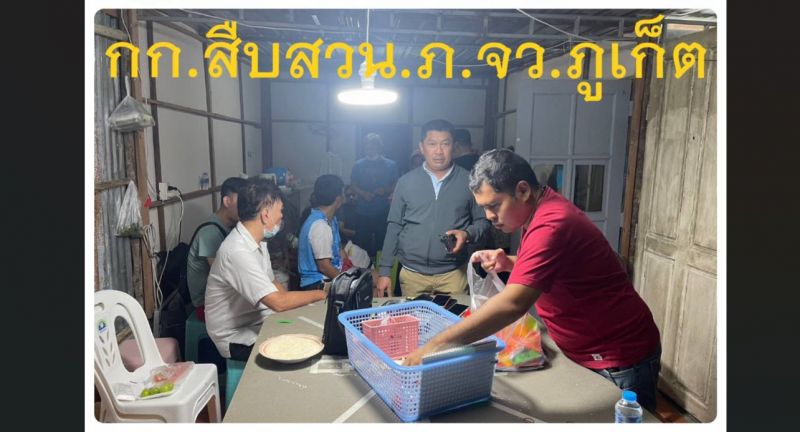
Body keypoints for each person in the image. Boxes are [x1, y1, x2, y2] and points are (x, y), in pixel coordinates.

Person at [402, 149, 662, 412]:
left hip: (620, 357)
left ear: (523, 190)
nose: (489, 216)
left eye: (494, 206)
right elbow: (558, 263)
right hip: (586, 351)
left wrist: (434, 347)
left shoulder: (551, 222)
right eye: (484, 208)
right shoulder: (540, 208)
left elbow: (512, 304)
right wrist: (511, 262)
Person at [205, 177, 327, 360]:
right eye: (280, 211)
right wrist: (322, 294)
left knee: (310, 329)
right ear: (265, 215)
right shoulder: (237, 252)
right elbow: (278, 302)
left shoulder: (258, 242)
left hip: (258, 319)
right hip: (235, 336)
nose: (281, 216)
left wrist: (297, 305)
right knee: (306, 349)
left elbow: (274, 286)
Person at [375, 119, 490, 298]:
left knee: (455, 316)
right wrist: (385, 271)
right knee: (413, 317)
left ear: (454, 147)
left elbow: (483, 221)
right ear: (422, 147)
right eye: (432, 144)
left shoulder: (469, 181)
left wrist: (467, 234)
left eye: (445, 144)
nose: (439, 151)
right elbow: (394, 226)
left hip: (454, 274)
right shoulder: (406, 182)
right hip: (412, 275)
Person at [186, 176, 247, 321]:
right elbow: (222, 275)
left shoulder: (231, 227)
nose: (246, 208)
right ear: (227, 201)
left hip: (223, 297)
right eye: (242, 202)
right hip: (207, 305)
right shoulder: (210, 232)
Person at [350, 133, 399, 258]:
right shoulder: (358, 165)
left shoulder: (391, 165)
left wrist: (385, 189)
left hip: (382, 211)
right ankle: (363, 268)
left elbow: (397, 185)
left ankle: (381, 268)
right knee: (361, 245)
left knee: (382, 245)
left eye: (373, 145)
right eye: (367, 145)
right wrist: (363, 194)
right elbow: (353, 185)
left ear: (379, 146)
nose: (370, 148)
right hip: (362, 211)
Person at [297, 175, 347, 290]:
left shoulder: (331, 220)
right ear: (338, 200)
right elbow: (324, 267)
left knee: (371, 277)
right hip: (317, 283)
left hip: (330, 277)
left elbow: (339, 250)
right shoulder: (320, 226)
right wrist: (347, 282)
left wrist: (349, 267)